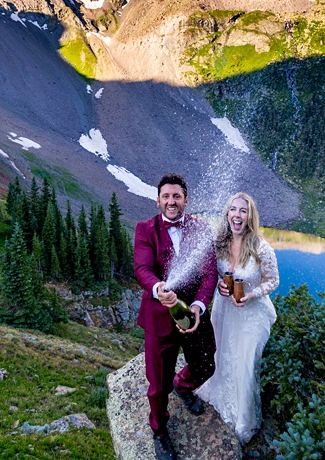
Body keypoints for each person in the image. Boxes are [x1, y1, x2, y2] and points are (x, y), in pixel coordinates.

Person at [134, 173, 218, 460]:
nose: (171, 201)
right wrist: (159, 288)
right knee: (157, 386)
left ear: (186, 200)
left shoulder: (202, 228)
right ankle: (159, 431)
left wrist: (198, 305)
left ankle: (183, 386)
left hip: (194, 317)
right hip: (159, 320)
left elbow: (209, 274)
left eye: (177, 196)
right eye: (166, 197)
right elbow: (142, 269)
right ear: (158, 200)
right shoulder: (145, 230)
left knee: (206, 365)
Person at [196, 192, 279, 444]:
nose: (237, 215)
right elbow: (215, 274)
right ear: (227, 214)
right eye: (233, 210)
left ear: (250, 216)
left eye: (243, 211)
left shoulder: (261, 247)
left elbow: (273, 281)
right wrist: (221, 285)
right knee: (221, 355)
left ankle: (243, 421)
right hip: (225, 309)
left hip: (251, 314)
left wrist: (251, 294)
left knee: (245, 365)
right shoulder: (220, 242)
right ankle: (222, 398)